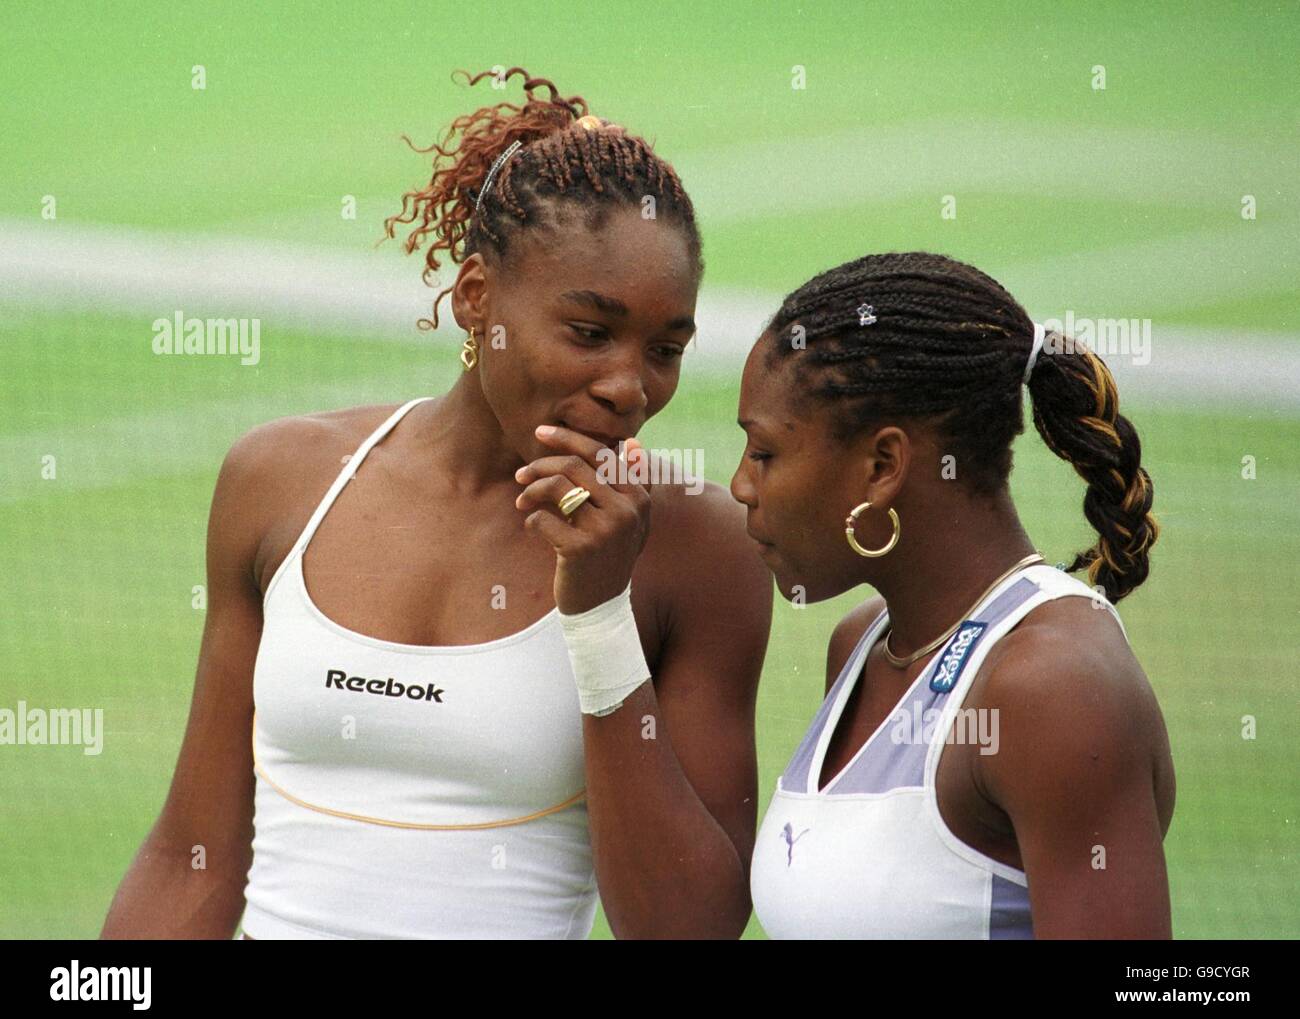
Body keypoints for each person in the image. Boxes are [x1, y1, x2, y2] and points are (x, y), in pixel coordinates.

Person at [101, 68, 771, 940]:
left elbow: (691, 927)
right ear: (476, 297)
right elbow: (189, 857)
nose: (628, 387)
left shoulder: (696, 546)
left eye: (666, 348)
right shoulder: (279, 480)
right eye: (589, 332)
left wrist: (601, 616)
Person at [733, 251, 1174, 938]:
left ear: (882, 466)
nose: (740, 485)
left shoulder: (1052, 689)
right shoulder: (866, 644)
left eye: (763, 453)